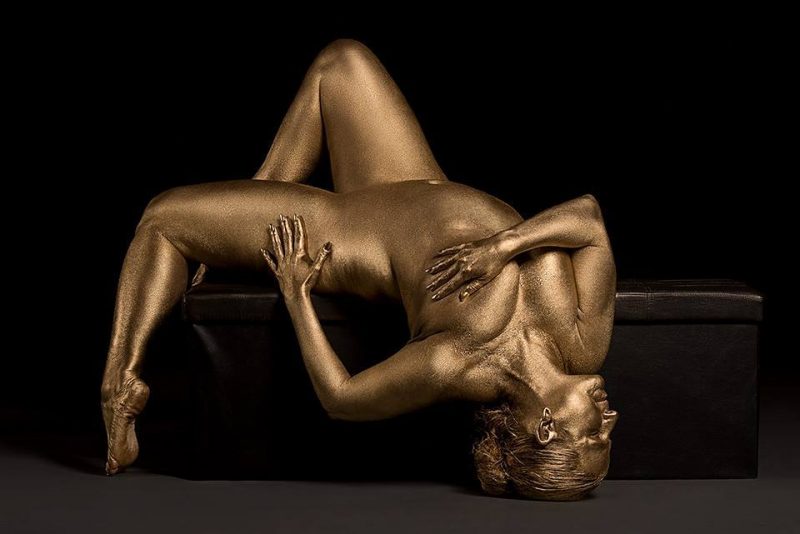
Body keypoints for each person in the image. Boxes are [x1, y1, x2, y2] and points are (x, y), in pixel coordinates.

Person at [101, 39, 619, 501]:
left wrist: (297, 295)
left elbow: (342, 399)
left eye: (595, 434)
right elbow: (589, 220)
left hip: (345, 231)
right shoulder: (582, 345)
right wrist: (504, 245)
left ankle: (120, 385)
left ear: (545, 429)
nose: (610, 418)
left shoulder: (459, 364)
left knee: (162, 219)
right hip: (412, 181)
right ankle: (244, 216)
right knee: (342, 61)